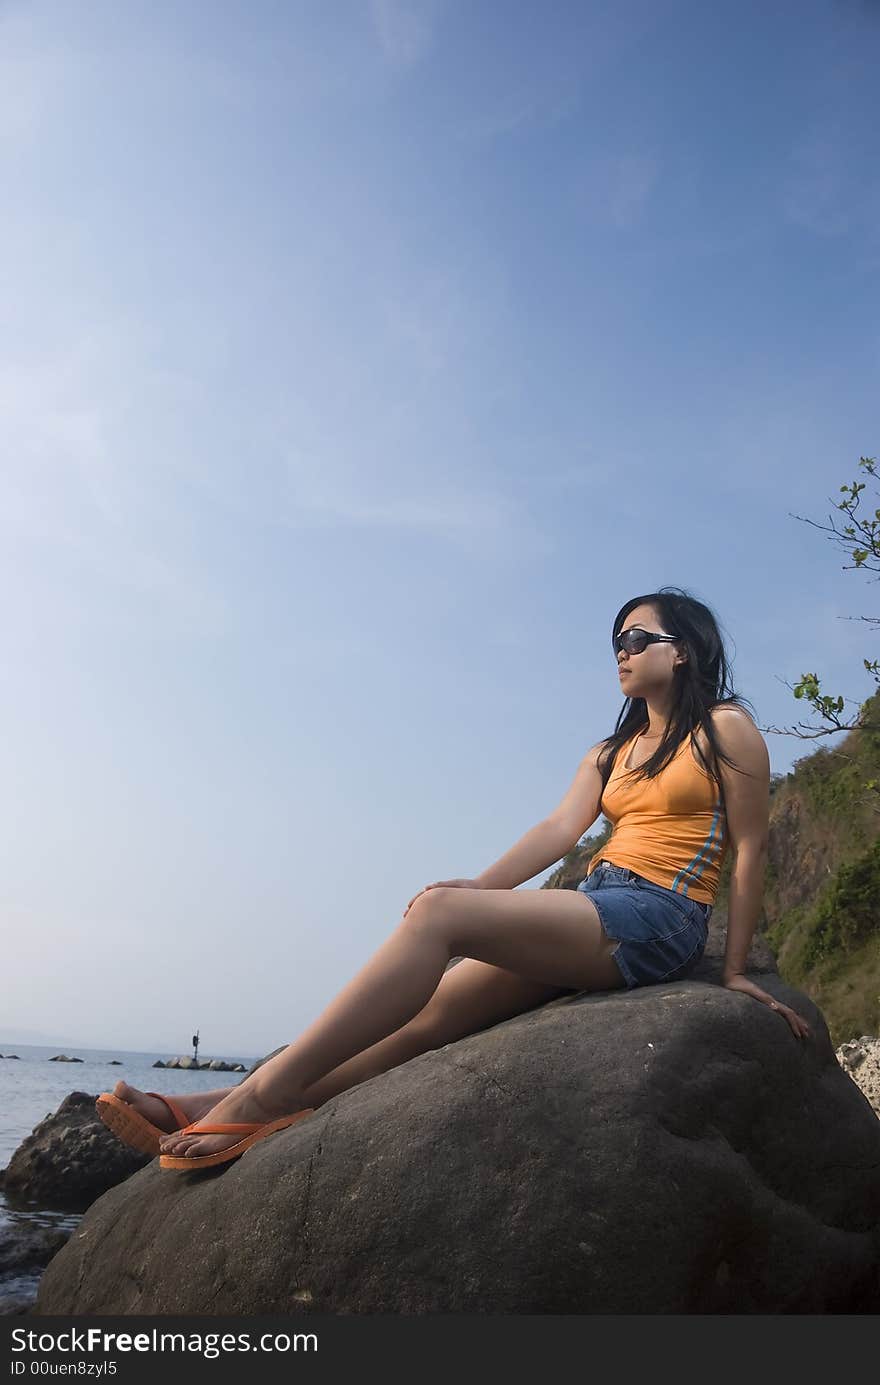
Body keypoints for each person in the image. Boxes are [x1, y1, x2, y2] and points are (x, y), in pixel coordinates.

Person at [98, 585, 811, 1174]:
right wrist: (478, 884)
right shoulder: (611, 751)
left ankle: (261, 1093)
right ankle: (217, 1101)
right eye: (615, 644)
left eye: (635, 639)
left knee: (436, 917)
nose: (620, 654)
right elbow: (557, 831)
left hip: (660, 914)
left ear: (681, 650)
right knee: (423, 1022)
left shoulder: (726, 730)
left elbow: (750, 850)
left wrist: (738, 969)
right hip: (597, 903)